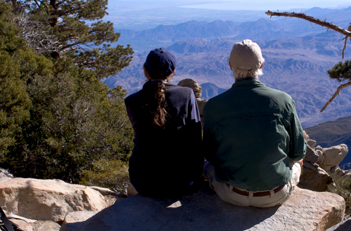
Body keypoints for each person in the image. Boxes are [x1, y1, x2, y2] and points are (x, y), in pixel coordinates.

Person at [203, 39, 306, 208]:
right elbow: (297, 152)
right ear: (261, 66)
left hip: (231, 194)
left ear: (230, 66)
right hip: (276, 195)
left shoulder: (214, 106)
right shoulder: (284, 101)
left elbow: (210, 153)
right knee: (296, 162)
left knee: (207, 166)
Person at [124, 48, 203, 199]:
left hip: (143, 181)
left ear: (145, 70)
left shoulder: (131, 101)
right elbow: (196, 141)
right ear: (172, 72)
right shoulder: (186, 95)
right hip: (180, 182)